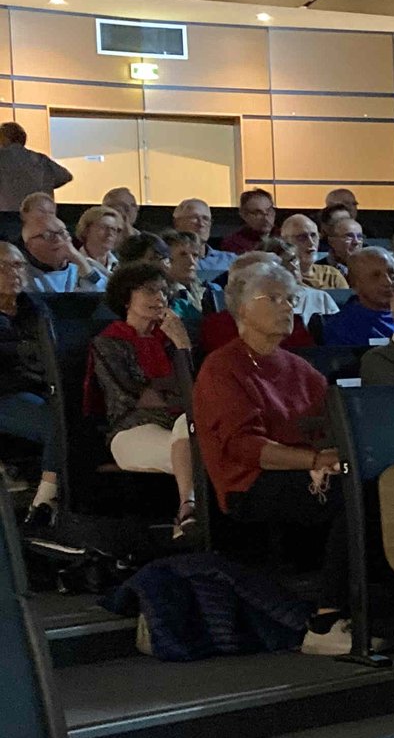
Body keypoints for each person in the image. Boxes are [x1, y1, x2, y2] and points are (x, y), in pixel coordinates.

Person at [192, 258, 362, 656]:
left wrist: (335, 455)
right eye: (274, 298)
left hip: (304, 471)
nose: (288, 306)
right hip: (248, 483)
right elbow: (244, 448)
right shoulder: (223, 367)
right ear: (242, 307)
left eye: (291, 298)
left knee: (375, 485)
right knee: (349, 497)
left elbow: (332, 424)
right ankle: (325, 620)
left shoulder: (299, 367)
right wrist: (315, 462)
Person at [89, 262, 198, 533]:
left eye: (163, 291)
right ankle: (189, 512)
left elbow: (196, 392)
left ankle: (188, 510)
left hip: (180, 426)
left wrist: (183, 347)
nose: (159, 298)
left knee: (191, 427)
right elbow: (138, 398)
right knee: (198, 449)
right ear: (127, 298)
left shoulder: (172, 339)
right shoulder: (108, 343)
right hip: (133, 430)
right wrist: (178, 397)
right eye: (150, 291)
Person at [0, 242, 59, 521]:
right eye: (3, 266)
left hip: (42, 388)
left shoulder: (35, 308)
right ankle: (45, 502)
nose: (14, 272)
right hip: (5, 395)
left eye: (18, 265)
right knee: (57, 422)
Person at [322, 249, 394, 346]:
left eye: (392, 273)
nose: (388, 282)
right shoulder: (342, 327)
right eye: (375, 276)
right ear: (354, 283)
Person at [0, 120, 70, 207]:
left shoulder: (2, 157)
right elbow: (65, 176)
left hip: (5, 214)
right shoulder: (41, 159)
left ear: (4, 139)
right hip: (39, 213)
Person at [278, 214, 347, 291]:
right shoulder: (278, 276)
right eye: (302, 237)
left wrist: (299, 284)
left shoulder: (331, 275)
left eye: (314, 236)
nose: (311, 243)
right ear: (285, 242)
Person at [18, 211, 80, 294]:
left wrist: (82, 264)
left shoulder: (85, 268)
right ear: (30, 245)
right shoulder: (21, 277)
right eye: (48, 235)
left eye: (62, 233)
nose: (59, 239)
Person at [171, 199, 234, 281]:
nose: (201, 224)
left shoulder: (230, 260)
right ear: (177, 223)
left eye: (205, 219)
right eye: (194, 218)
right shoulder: (165, 259)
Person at [221, 188, 276, 254]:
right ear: (244, 215)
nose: (266, 218)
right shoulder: (233, 243)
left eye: (269, 211)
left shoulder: (285, 236)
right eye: (258, 213)